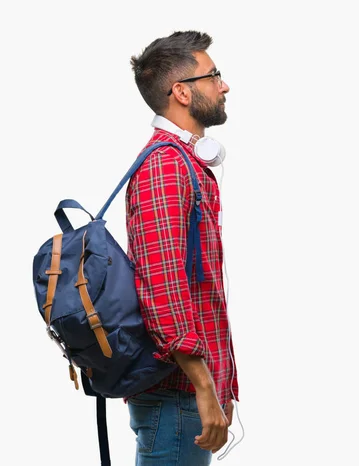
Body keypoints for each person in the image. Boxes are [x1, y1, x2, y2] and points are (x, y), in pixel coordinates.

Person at [124, 30, 239, 466]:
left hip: (187, 392)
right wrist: (205, 387)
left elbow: (197, 284)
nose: (224, 85)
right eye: (214, 76)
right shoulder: (166, 165)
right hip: (178, 394)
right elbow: (162, 285)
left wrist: (221, 386)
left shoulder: (184, 161)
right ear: (182, 93)